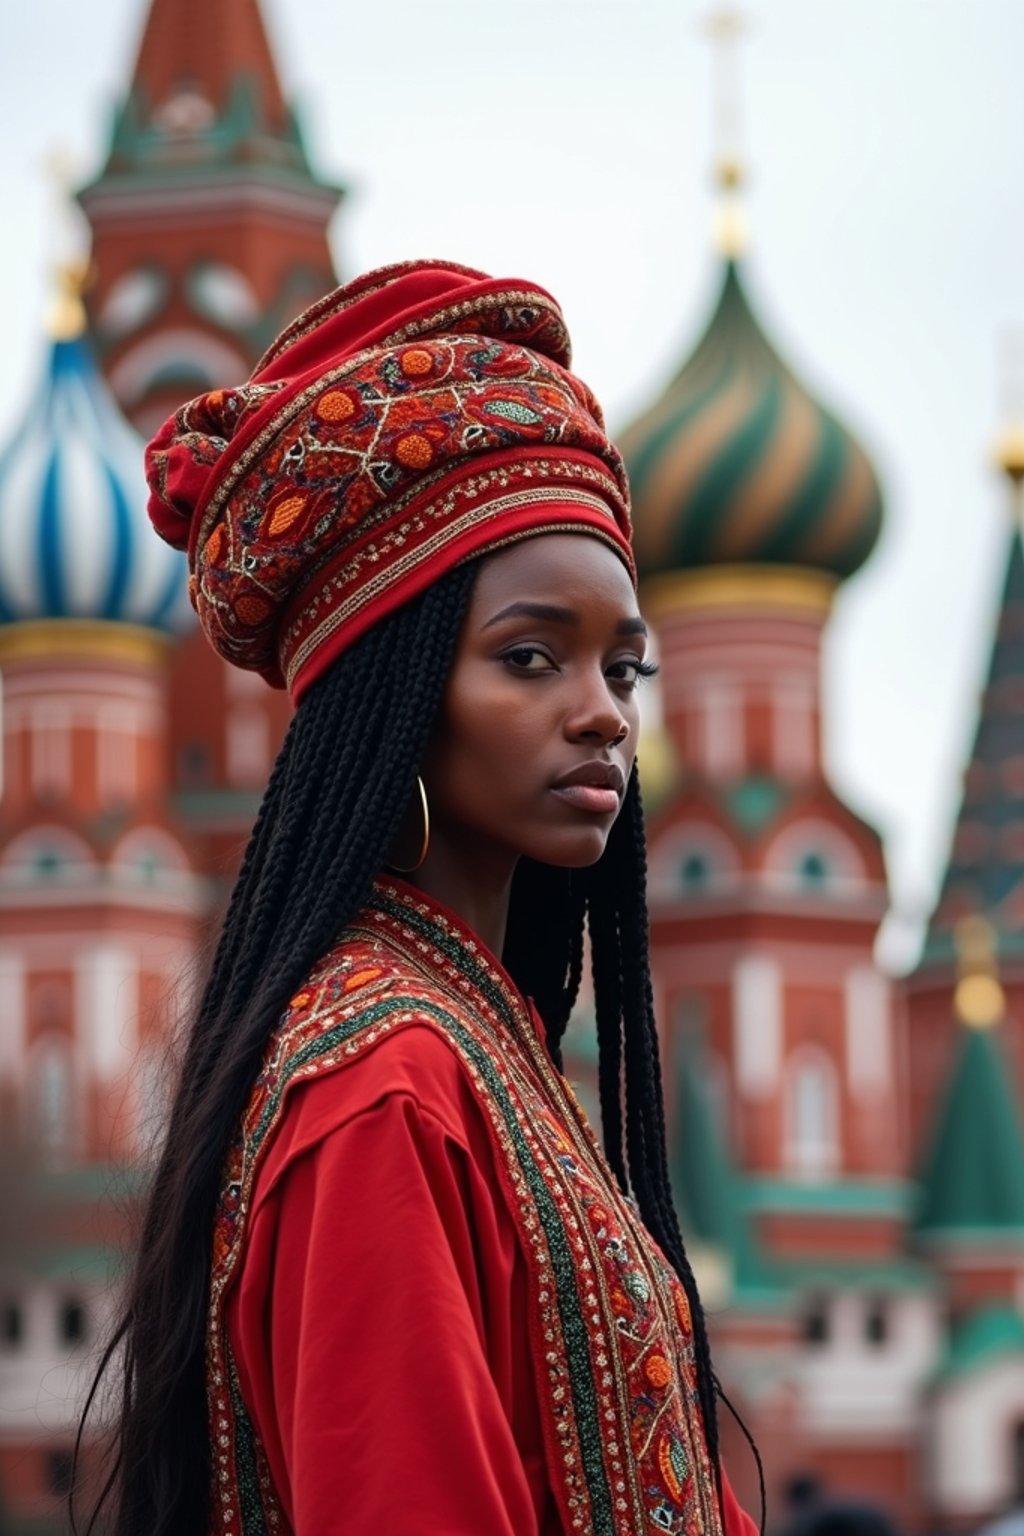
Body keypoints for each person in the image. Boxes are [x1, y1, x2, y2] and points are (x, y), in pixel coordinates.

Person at [77, 260, 761, 1536]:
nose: (604, 711)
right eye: (528, 656)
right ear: (390, 694)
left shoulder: (481, 1046)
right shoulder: (383, 1079)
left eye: (625, 664)